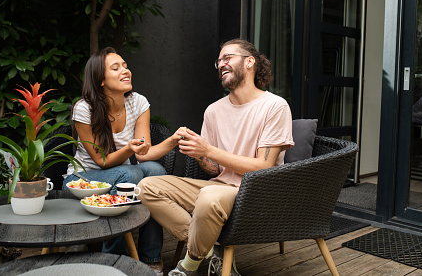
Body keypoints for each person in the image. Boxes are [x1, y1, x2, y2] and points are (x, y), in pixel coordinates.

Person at [136, 39, 294, 276]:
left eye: (228, 57)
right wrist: (199, 154)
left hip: (254, 191)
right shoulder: (214, 110)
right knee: (146, 187)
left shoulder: (275, 107)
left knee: (208, 198)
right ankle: (211, 251)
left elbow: (263, 166)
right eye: (219, 60)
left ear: (250, 62)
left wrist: (208, 150)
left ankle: (188, 264)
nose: (221, 64)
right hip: (218, 187)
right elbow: (213, 170)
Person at [62, 47, 184, 274]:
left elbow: (143, 154)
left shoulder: (138, 102)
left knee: (156, 172)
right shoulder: (84, 108)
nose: (125, 71)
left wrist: (173, 141)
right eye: (115, 68)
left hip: (124, 176)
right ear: (100, 80)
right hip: (82, 181)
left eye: (125, 66)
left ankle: (150, 258)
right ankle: (114, 261)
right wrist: (129, 148)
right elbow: (101, 161)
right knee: (131, 174)